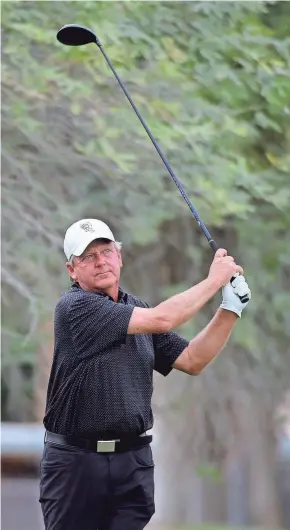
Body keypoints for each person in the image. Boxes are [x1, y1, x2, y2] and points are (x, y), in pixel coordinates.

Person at [39, 218, 251, 530]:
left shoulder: (136, 308)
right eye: (88, 257)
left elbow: (192, 359)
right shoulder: (75, 308)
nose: (100, 262)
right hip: (77, 465)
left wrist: (230, 309)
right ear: (72, 270)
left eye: (106, 252)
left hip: (131, 462)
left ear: (119, 257)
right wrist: (214, 280)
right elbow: (164, 319)